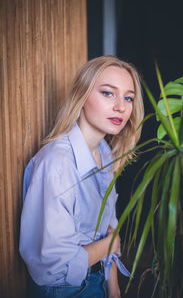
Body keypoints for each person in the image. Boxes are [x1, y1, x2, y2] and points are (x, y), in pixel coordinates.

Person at [19, 55, 144, 298]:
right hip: (65, 291)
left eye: (128, 97)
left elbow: (110, 225)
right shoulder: (57, 163)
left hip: (98, 281)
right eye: (108, 93)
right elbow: (52, 267)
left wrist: (114, 288)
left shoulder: (106, 154)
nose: (121, 106)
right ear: (82, 95)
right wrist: (109, 245)